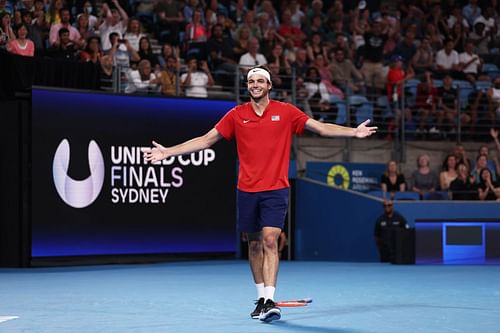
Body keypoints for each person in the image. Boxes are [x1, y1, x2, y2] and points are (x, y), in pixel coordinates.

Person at [142, 65, 377, 322]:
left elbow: (320, 127)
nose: (254, 84)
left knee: (269, 240)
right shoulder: (235, 115)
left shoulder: (286, 111)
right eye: (251, 81)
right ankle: (260, 298)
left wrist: (353, 132)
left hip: (276, 189)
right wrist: (167, 152)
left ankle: (269, 299)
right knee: (253, 245)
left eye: (259, 81)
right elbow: (205, 140)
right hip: (247, 190)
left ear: (269, 85)